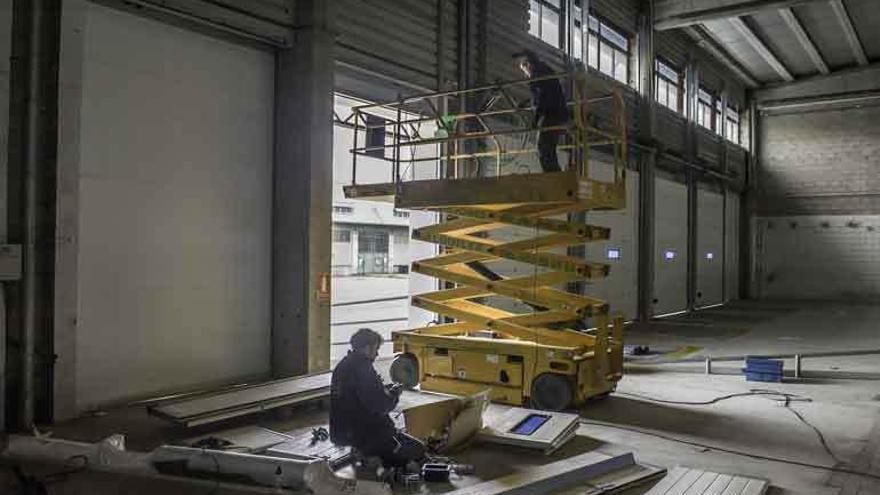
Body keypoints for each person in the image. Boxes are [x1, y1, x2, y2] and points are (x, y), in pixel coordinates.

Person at [330, 328, 426, 468]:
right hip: (366, 433)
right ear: (367, 347)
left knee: (399, 441)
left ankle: (367, 453)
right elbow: (380, 406)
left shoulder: (343, 365)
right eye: (376, 349)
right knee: (418, 449)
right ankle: (376, 456)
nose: (377, 353)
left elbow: (360, 397)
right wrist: (394, 394)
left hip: (342, 432)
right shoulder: (362, 369)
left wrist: (382, 390)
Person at [512, 50, 570, 173]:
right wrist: (526, 103)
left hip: (552, 114)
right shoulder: (544, 69)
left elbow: (542, 98)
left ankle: (552, 176)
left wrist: (535, 120)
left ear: (528, 64)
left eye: (523, 68)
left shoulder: (536, 74)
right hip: (560, 113)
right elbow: (545, 93)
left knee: (543, 146)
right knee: (549, 147)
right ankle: (554, 174)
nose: (525, 73)